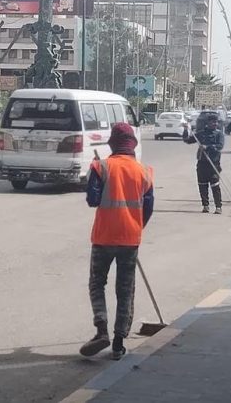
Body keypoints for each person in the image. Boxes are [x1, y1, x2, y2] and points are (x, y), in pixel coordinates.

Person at [81, 123, 154, 360]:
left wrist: (97, 182)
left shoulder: (100, 166)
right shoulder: (144, 171)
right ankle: (119, 343)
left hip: (103, 237)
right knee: (125, 290)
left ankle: (101, 329)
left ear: (112, 144)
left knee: (96, 284)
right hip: (130, 239)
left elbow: (92, 200)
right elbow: (148, 208)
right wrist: (134, 226)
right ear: (132, 145)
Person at [183, 113, 224, 214]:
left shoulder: (219, 134)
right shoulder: (201, 134)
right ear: (208, 123)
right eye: (213, 122)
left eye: (216, 122)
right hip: (202, 163)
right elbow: (187, 140)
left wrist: (207, 147)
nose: (215, 124)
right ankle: (205, 206)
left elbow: (219, 146)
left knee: (215, 185)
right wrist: (185, 129)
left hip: (214, 163)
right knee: (202, 185)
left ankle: (218, 207)